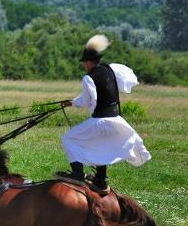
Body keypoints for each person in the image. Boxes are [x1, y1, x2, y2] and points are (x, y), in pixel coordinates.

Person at [56, 34, 151, 193]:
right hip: (116, 119)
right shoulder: (112, 69)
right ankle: (100, 179)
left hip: (101, 119)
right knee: (101, 144)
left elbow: (88, 101)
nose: (84, 66)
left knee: (68, 138)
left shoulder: (88, 78)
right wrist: (73, 102)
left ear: (87, 62)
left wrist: (73, 103)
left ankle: (78, 173)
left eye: (84, 63)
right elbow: (129, 81)